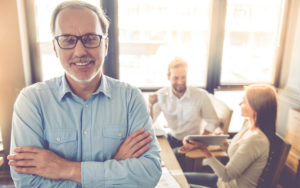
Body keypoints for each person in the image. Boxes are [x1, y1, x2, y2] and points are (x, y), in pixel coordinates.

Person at [7, 1, 161, 187]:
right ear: (55, 47)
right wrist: (115, 164)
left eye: (90, 38)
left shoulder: (131, 99)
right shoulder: (31, 102)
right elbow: (28, 183)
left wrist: (66, 169)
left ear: (105, 44)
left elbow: (149, 173)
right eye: (68, 40)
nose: (80, 51)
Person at [181, 84, 278, 188]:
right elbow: (238, 154)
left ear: (256, 107)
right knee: (177, 177)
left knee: (177, 184)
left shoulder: (256, 141)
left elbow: (226, 175)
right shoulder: (248, 125)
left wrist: (204, 150)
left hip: (226, 183)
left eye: (245, 101)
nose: (240, 103)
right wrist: (222, 142)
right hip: (221, 182)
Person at [148, 57, 219, 149]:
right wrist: (150, 105)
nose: (180, 82)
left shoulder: (200, 95)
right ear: (168, 77)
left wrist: (200, 141)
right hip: (171, 138)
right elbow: (149, 122)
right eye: (176, 78)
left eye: (183, 77)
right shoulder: (162, 95)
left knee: (168, 160)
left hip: (192, 142)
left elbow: (213, 121)